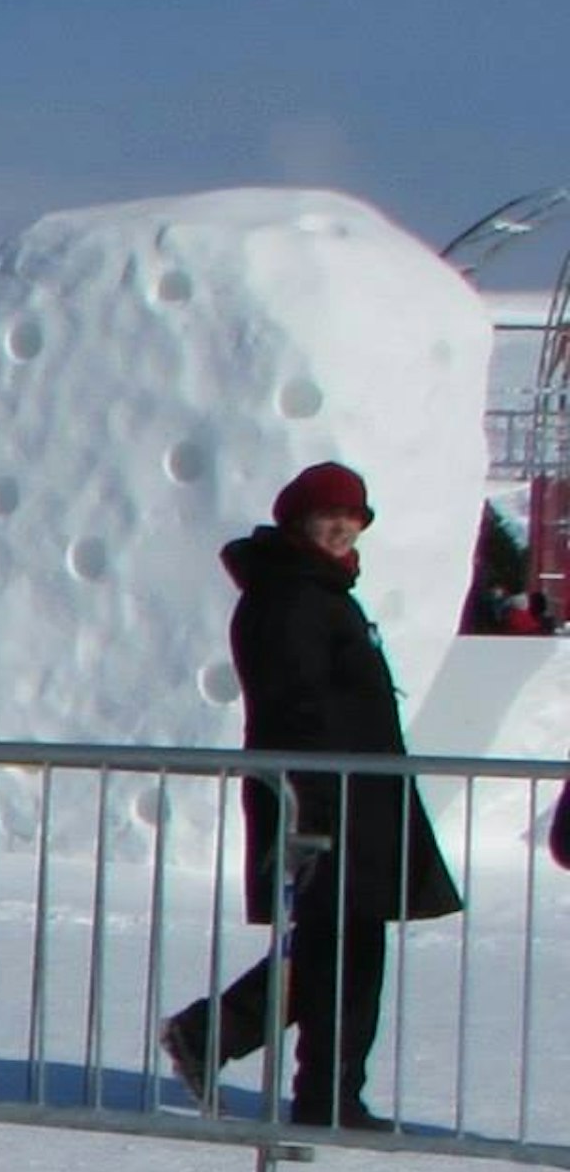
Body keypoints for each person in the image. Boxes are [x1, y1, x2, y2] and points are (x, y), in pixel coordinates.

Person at [164, 460, 460, 1129]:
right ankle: (247, 1052)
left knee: (343, 949)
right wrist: (314, 805)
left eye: (352, 517)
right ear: (298, 520)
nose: (341, 528)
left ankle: (310, 1083)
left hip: (354, 799)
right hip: (325, 803)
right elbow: (295, 707)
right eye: (328, 516)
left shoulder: (319, 590)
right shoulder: (291, 597)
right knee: (336, 950)